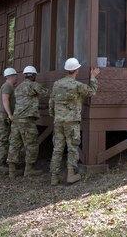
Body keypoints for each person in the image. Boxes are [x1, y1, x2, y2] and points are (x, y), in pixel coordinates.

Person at [49, 58, 100, 186]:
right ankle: (71, 175)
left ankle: (54, 177)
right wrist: (93, 77)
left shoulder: (56, 84)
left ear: (67, 70)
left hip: (58, 121)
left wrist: (54, 115)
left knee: (57, 149)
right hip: (71, 122)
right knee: (72, 148)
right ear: (77, 70)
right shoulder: (77, 85)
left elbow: (51, 102)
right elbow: (92, 92)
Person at [7, 66, 49, 178]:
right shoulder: (33, 85)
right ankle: (29, 170)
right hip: (27, 121)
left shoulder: (18, 88)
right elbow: (47, 93)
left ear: (25, 75)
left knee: (14, 145)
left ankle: (12, 170)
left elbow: (25, 103)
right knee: (31, 144)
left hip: (16, 120)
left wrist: (40, 107)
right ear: (33, 75)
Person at [0, 67, 18, 174]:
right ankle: (0, 164)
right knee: (3, 141)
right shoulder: (7, 86)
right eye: (16, 76)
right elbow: (5, 100)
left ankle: (4, 162)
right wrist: (10, 114)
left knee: (7, 140)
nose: (16, 78)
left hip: (5, 117)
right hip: (4, 116)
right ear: (12, 77)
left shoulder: (10, 86)